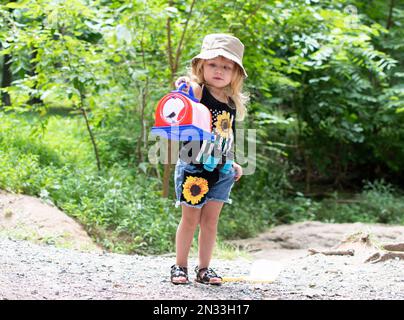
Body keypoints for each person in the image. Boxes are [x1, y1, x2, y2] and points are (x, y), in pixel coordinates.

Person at [170, 34, 249, 285]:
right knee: (190, 218)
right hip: (194, 166)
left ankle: (204, 269)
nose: (219, 70)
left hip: (222, 169)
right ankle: (179, 266)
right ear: (201, 66)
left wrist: (233, 161)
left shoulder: (231, 102)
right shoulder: (198, 92)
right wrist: (183, 85)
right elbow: (183, 93)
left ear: (235, 73)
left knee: (211, 221)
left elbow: (226, 136)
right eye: (213, 64)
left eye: (226, 67)